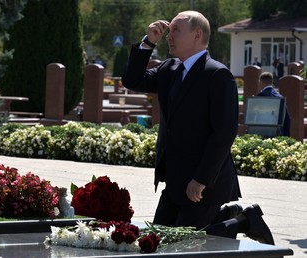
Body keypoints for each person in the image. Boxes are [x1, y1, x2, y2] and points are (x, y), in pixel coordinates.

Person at [122, 10, 274, 245]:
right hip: (174, 178)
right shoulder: (169, 69)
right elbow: (132, 80)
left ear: (197, 35)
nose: (169, 36)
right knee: (156, 240)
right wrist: (148, 42)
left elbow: (223, 133)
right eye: (168, 30)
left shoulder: (216, 74)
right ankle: (233, 217)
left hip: (204, 183)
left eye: (176, 31)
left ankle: (243, 221)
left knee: (183, 244)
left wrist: (201, 179)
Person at [257, 72, 291, 136]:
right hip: (279, 133)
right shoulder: (280, 96)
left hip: (264, 132)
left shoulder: (262, 95)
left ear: (261, 82)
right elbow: (287, 119)